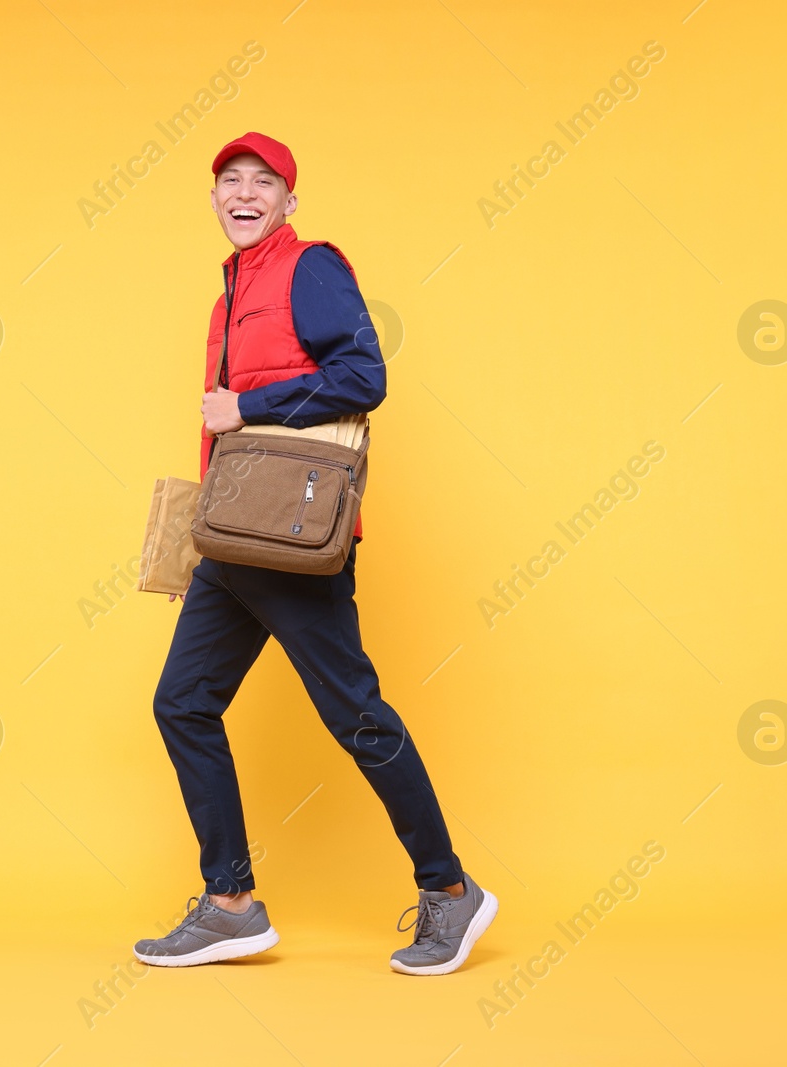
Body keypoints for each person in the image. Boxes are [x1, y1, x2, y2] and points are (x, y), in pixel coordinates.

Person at [133, 133, 496, 975]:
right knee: (182, 702)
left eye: (266, 182)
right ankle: (231, 903)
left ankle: (448, 891)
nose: (246, 193)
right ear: (215, 198)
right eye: (231, 181)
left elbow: (363, 377)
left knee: (355, 716)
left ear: (290, 202)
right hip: (233, 539)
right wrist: (200, 528)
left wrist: (248, 402)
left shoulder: (311, 269)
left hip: (296, 544)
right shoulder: (227, 296)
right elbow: (229, 434)